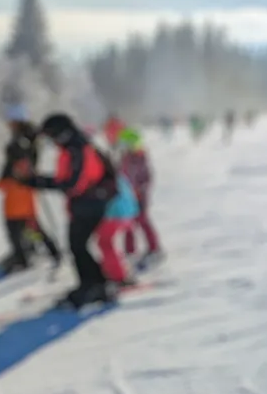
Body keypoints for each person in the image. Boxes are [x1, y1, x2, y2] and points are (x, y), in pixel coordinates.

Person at [15, 113, 118, 307]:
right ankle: (97, 284)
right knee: (79, 246)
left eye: (52, 136)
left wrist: (36, 181)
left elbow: (72, 184)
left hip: (89, 203)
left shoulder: (77, 149)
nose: (52, 142)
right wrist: (36, 180)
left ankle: (92, 286)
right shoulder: (76, 146)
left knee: (77, 246)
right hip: (88, 202)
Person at [0, 118, 62, 273]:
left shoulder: (17, 153)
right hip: (23, 200)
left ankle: (25, 257)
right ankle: (47, 251)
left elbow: (7, 180)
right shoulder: (28, 151)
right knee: (31, 229)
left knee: (21, 231)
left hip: (17, 201)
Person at [117, 127, 162, 261]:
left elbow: (147, 178)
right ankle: (130, 250)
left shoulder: (140, 159)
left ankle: (154, 247)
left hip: (139, 197)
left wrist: (140, 190)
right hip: (127, 197)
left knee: (143, 221)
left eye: (127, 145)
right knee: (128, 224)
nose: (125, 148)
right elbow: (121, 175)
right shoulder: (125, 158)